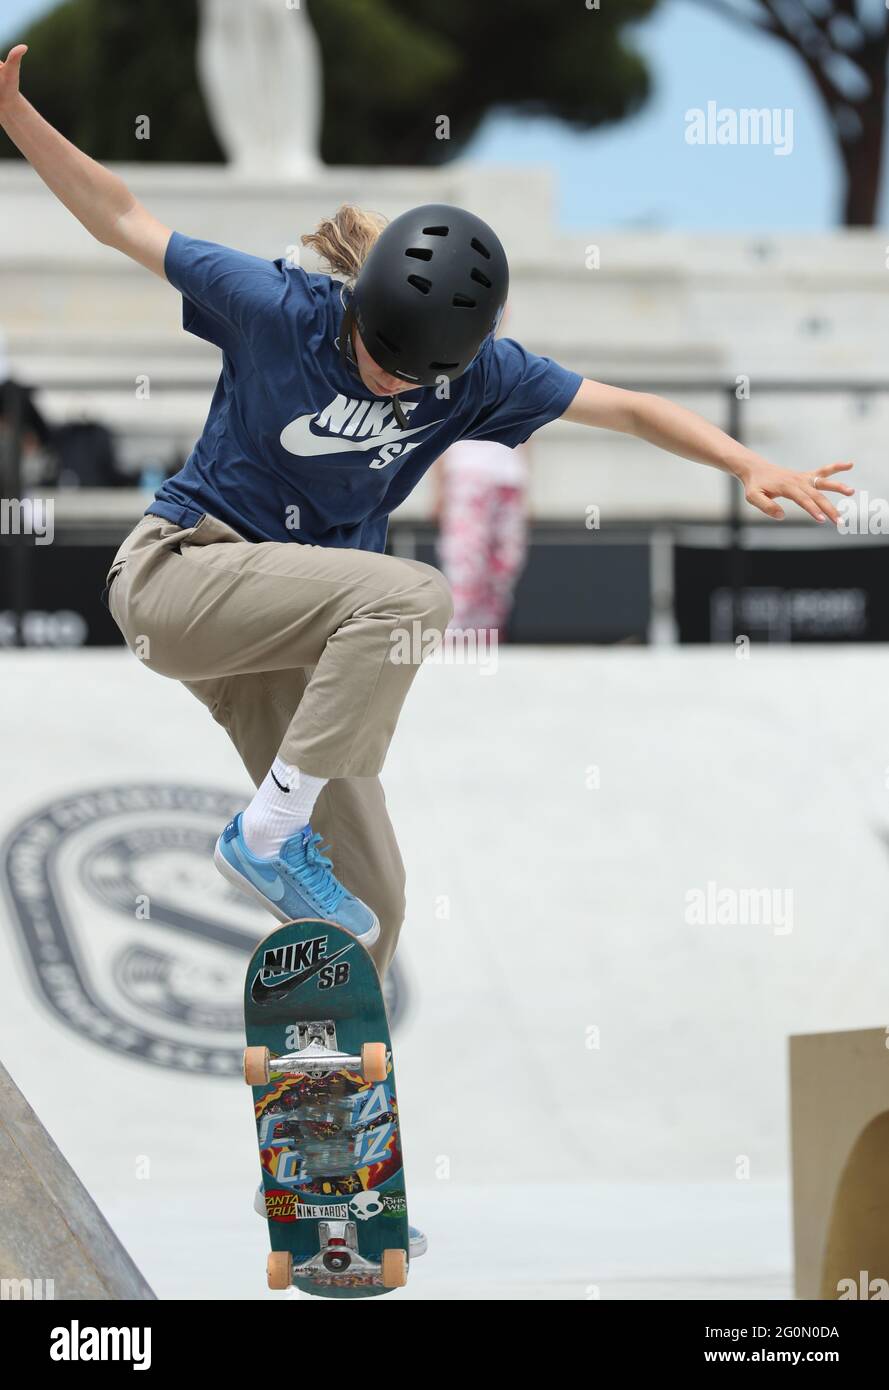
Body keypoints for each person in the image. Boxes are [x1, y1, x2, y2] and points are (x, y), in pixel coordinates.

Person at [0, 40, 854, 1256]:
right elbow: (123, 214)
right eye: (373, 354)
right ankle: (261, 831)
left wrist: (748, 463)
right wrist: (17, 120)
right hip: (178, 577)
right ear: (354, 310)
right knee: (408, 594)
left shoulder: (474, 380)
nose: (382, 378)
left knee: (367, 911)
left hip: (277, 647)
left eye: (407, 375)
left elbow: (627, 406)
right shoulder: (279, 306)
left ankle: (316, 1166)